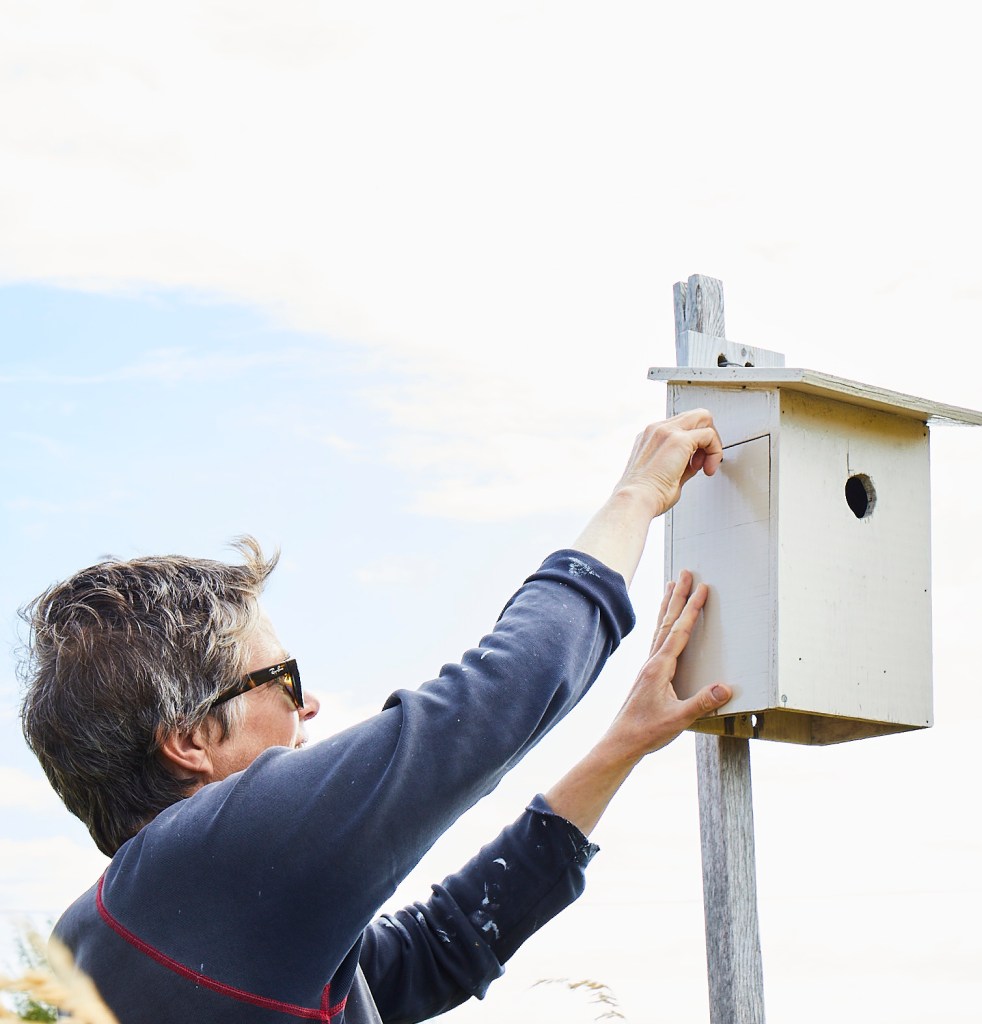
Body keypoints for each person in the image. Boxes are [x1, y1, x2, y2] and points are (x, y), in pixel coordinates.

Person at [19, 411, 731, 1024]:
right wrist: (638, 494)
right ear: (192, 737)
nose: (308, 704)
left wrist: (622, 744)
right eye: (282, 680)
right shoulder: (214, 860)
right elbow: (496, 697)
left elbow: (437, 950)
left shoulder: (127, 930)